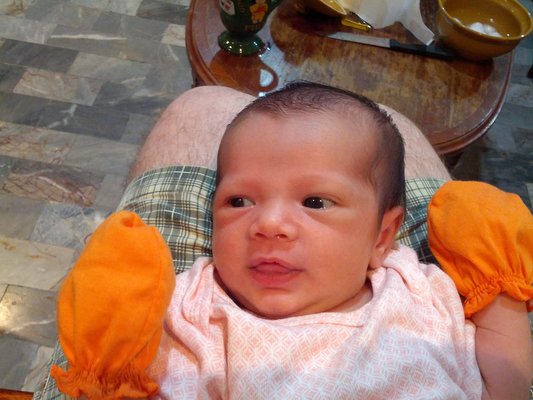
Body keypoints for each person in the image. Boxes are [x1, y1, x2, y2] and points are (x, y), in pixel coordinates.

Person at [46, 83, 532, 400]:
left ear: (382, 237)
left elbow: (506, 386)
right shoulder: (194, 309)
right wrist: (108, 363)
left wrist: (503, 299)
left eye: (315, 202)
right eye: (238, 201)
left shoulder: (418, 293)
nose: (269, 224)